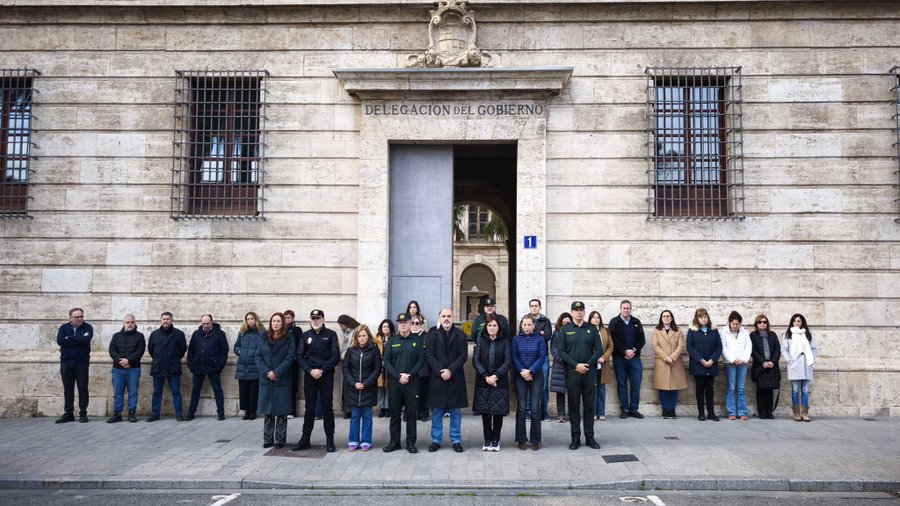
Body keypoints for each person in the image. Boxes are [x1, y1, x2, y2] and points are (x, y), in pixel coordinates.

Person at [292, 309, 341, 452]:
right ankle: (305, 439)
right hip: (310, 375)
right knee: (309, 408)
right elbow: (299, 356)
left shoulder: (331, 335)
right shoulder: (305, 335)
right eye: (313, 318)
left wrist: (322, 370)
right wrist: (310, 370)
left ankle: (330, 439)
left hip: (325, 375)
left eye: (318, 318)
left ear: (323, 320)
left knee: (327, 407)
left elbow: (335, 356)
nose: (315, 321)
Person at [558, 301, 603, 450]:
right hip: (573, 372)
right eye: (576, 310)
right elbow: (561, 351)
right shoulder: (565, 329)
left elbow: (599, 350)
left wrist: (587, 365)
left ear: (584, 312)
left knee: (589, 405)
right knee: (574, 406)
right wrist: (576, 365)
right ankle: (575, 438)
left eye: (581, 310)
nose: (578, 312)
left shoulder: (591, 329)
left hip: (589, 373)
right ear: (571, 312)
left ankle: (590, 437)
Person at [426, 307, 469, 453]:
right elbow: (430, 355)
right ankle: (436, 440)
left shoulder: (461, 335)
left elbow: (463, 355)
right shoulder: (432, 335)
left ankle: (456, 440)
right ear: (439, 318)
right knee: (437, 411)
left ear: (453, 318)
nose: (446, 319)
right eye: (443, 316)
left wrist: (450, 370)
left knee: (455, 411)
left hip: (454, 377)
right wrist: (441, 371)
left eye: (449, 316)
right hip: (437, 378)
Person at [383, 312, 425, 453]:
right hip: (395, 382)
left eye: (405, 322)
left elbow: (421, 360)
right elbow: (387, 362)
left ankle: (411, 443)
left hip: (412, 382)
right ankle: (394, 442)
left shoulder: (418, 341)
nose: (403, 325)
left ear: (410, 323)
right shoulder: (392, 341)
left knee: (411, 414)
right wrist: (398, 376)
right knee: (395, 413)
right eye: (400, 323)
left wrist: (410, 374)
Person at [255, 312, 296, 449]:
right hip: (266, 378)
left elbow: (290, 357)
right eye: (274, 321)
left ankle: (280, 439)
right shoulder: (263, 336)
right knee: (268, 410)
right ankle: (268, 439)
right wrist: (267, 372)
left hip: (281, 377)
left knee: (282, 410)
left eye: (279, 321)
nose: (276, 323)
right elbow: (258, 356)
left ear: (283, 323)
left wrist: (277, 372)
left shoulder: (288, 337)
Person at [473, 315, 511, 452]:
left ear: (499, 327)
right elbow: (476, 360)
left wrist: (495, 376)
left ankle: (496, 439)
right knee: (485, 412)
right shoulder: (481, 340)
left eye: (494, 325)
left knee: (498, 412)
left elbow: (507, 361)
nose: (492, 328)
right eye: (489, 325)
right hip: (483, 380)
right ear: (486, 327)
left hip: (499, 381)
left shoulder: (504, 341)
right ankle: (487, 439)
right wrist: (486, 376)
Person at [342, 324, 382, 452]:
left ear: (368, 336)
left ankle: (366, 440)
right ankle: (353, 440)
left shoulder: (374, 350)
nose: (362, 338)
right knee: (354, 417)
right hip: (353, 388)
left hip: (368, 388)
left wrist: (366, 383)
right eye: (359, 336)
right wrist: (353, 383)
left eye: (364, 335)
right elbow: (345, 368)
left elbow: (377, 369)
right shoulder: (351, 350)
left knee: (367, 417)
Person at [511, 314, 546, 451]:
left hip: (536, 376)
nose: (527, 327)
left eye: (529, 325)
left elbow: (542, 357)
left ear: (534, 326)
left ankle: (535, 439)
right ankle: (521, 439)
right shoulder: (516, 339)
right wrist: (522, 371)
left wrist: (531, 371)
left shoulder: (540, 339)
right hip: (520, 376)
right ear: (521, 326)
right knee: (521, 407)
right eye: (524, 324)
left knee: (535, 408)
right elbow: (514, 357)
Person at [187, 314, 229, 420]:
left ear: (212, 322)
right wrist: (191, 365)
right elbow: (190, 350)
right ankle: (191, 413)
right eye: (203, 324)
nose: (205, 326)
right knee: (195, 390)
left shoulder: (219, 334)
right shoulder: (196, 334)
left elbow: (224, 351)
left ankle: (221, 413)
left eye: (207, 323)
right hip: (198, 367)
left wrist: (220, 365)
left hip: (213, 367)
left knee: (217, 389)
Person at [147, 312, 187, 422]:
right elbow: (151, 349)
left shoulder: (179, 334)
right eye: (164, 319)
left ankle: (179, 414)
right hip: (158, 367)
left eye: (167, 319)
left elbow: (182, 349)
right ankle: (155, 414)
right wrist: (158, 359)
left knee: (176, 391)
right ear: (161, 320)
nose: (165, 321)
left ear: (171, 320)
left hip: (173, 367)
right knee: (157, 392)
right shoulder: (154, 334)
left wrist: (174, 359)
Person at [608, 300, 645, 419]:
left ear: (631, 309)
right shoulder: (614, 322)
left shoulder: (636, 321)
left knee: (636, 384)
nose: (626, 310)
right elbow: (613, 339)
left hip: (634, 358)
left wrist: (633, 351)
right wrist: (625, 351)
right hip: (619, 358)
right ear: (620, 309)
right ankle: (624, 409)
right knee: (622, 384)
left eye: (628, 308)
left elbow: (642, 339)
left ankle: (634, 409)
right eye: (624, 308)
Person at [56, 308, 94, 423]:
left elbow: (86, 339)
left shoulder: (88, 327)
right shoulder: (63, 328)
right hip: (66, 361)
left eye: (81, 316)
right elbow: (60, 341)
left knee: (82, 387)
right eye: (76, 317)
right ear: (70, 318)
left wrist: (70, 338)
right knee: (68, 388)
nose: (80, 319)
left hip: (81, 362)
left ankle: (83, 413)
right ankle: (69, 413)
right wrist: (78, 340)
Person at [519, 299, 553, 422]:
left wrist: (535, 332)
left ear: (540, 307)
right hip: (528, 357)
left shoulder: (545, 320)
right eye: (532, 306)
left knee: (543, 386)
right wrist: (540, 332)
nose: (534, 307)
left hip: (542, 357)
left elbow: (548, 335)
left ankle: (544, 412)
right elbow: (522, 333)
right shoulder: (525, 319)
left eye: (536, 305)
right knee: (528, 383)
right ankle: (528, 411)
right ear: (529, 307)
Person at [107, 314, 146, 423]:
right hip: (118, 369)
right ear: (124, 323)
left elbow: (140, 351)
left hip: (133, 369)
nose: (130, 324)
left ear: (135, 323)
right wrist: (121, 361)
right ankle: (117, 414)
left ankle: (131, 413)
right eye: (127, 322)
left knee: (133, 392)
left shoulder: (140, 336)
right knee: (118, 393)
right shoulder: (116, 336)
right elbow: (112, 350)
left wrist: (128, 360)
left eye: (132, 322)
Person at [686, 308, 722, 421]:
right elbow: (690, 347)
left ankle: (711, 412)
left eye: (705, 317)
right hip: (698, 365)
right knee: (700, 388)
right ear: (697, 319)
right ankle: (701, 412)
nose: (703, 319)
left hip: (711, 365)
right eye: (701, 317)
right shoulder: (692, 331)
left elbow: (718, 347)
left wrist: (712, 360)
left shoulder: (714, 330)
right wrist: (701, 360)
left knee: (710, 388)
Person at [651, 310, 687, 419]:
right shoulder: (656, 331)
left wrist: (672, 357)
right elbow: (655, 346)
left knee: (674, 388)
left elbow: (681, 346)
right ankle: (665, 410)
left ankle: (672, 410)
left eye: (668, 316)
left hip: (675, 363)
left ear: (671, 318)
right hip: (662, 362)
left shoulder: (678, 330)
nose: (666, 318)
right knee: (663, 388)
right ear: (661, 318)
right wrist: (666, 357)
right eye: (664, 316)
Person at [782, 313, 816, 422]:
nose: (796, 323)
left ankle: (805, 413)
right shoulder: (788, 334)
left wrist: (812, 359)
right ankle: (796, 413)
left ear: (802, 323)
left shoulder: (807, 334)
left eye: (799, 321)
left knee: (805, 390)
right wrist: (790, 360)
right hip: (794, 364)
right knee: (795, 390)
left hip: (806, 364)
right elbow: (784, 349)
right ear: (792, 323)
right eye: (794, 321)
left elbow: (813, 348)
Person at [721, 310, 752, 421]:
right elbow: (723, 348)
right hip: (730, 364)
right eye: (733, 324)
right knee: (731, 388)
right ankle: (731, 412)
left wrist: (743, 359)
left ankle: (742, 412)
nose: (735, 326)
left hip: (743, 363)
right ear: (729, 323)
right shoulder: (723, 332)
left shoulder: (745, 333)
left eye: (737, 324)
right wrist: (733, 359)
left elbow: (748, 347)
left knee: (741, 388)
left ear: (740, 324)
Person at [234, 311, 265, 420]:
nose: (250, 321)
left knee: (253, 391)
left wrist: (256, 354)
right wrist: (239, 351)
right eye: (248, 319)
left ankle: (253, 411)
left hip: (255, 366)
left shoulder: (261, 332)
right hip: (242, 366)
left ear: (256, 320)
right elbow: (236, 346)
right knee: (243, 391)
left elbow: (264, 347)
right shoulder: (242, 332)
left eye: (252, 319)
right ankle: (246, 411)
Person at [749, 314, 780, 420]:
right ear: (756, 324)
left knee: (769, 390)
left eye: (764, 322)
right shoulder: (753, 335)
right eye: (760, 322)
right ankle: (762, 412)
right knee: (760, 390)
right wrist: (762, 362)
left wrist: (773, 362)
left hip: (772, 367)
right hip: (760, 367)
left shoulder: (772, 335)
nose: (762, 324)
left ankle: (769, 412)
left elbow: (777, 349)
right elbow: (752, 350)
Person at [587, 310, 613, 421]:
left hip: (603, 364)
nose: (596, 319)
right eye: (594, 317)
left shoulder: (605, 330)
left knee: (601, 388)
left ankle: (601, 412)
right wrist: (595, 357)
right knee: (592, 388)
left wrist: (604, 357)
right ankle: (592, 412)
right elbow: (585, 346)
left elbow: (610, 346)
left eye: (598, 317)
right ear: (590, 319)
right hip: (591, 363)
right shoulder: (586, 330)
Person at [549, 312, 572, 423]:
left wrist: (571, 360)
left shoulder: (575, 332)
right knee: (560, 391)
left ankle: (573, 414)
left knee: (573, 391)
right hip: (559, 365)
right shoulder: (556, 333)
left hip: (572, 365)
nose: (566, 324)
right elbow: (553, 348)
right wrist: (561, 358)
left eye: (568, 322)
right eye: (564, 322)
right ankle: (561, 415)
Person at [337, 314, 360, 420]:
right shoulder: (344, 334)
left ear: (346, 324)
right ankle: (347, 409)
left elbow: (354, 346)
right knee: (345, 388)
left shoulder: (356, 331)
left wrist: (343, 355)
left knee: (351, 387)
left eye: (341, 325)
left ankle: (351, 410)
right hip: (345, 363)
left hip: (353, 363)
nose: (341, 328)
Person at [283, 310, 304, 418]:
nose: (287, 319)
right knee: (282, 387)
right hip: (281, 362)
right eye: (285, 317)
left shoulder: (297, 330)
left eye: (289, 317)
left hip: (293, 362)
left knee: (292, 387)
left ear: (293, 318)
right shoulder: (280, 329)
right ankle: (281, 410)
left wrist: (296, 356)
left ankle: (291, 411)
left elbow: (300, 344)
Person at [411, 314, 431, 422]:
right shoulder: (406, 335)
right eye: (412, 323)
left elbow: (428, 354)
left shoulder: (426, 336)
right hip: (410, 371)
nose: (414, 325)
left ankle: (423, 413)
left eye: (417, 323)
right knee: (410, 394)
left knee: (423, 393)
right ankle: (410, 413)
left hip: (423, 370)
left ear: (421, 324)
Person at [374, 318, 394, 418]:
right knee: (380, 389)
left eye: (387, 327)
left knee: (389, 388)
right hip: (379, 367)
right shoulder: (376, 339)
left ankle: (387, 408)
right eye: (384, 326)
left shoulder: (394, 338)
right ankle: (381, 408)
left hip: (390, 366)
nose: (386, 328)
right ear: (381, 328)